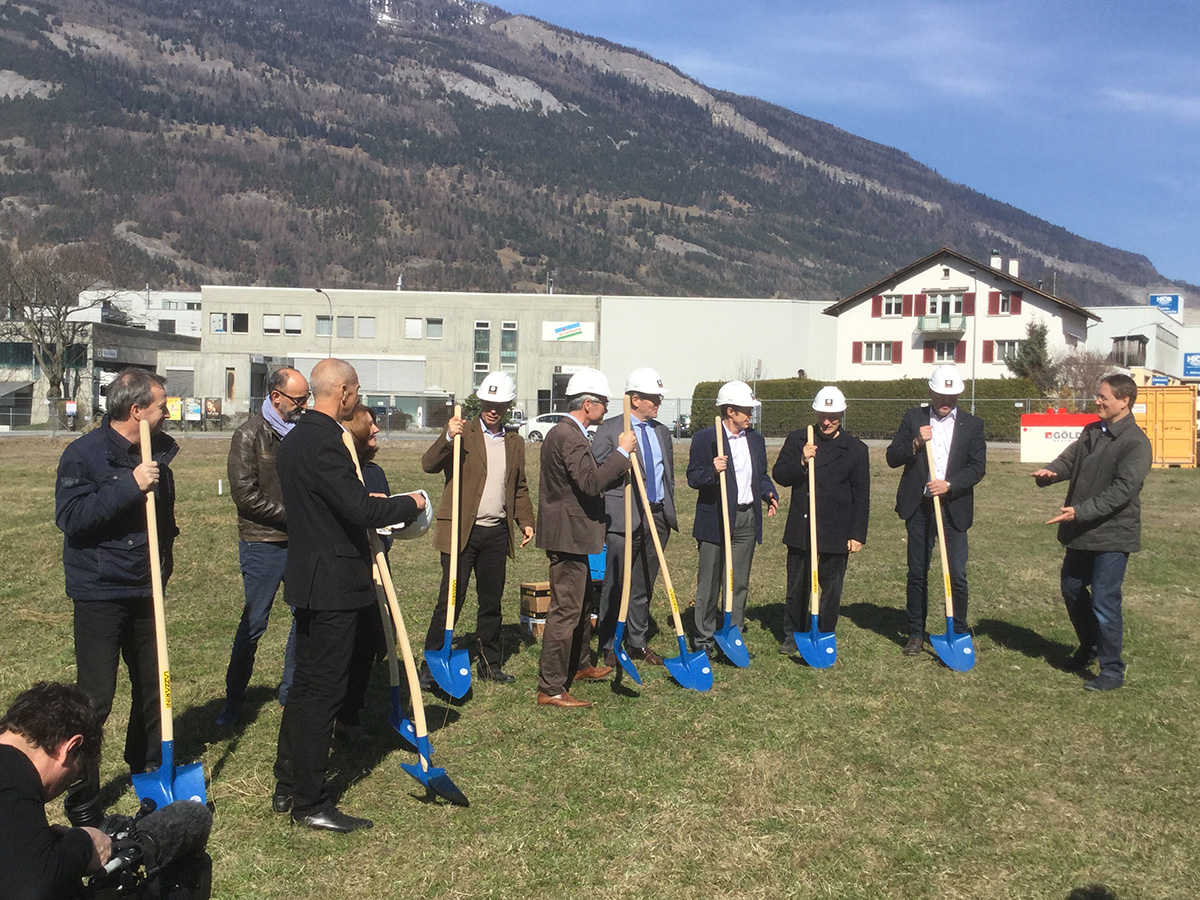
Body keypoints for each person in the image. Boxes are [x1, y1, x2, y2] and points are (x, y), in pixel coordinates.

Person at [272, 359, 426, 833]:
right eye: (356, 391)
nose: (358, 398)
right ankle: (310, 800)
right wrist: (412, 502)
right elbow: (359, 509)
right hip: (332, 583)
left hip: (312, 577)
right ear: (341, 392)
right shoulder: (324, 441)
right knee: (323, 692)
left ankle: (288, 783)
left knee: (306, 688)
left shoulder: (296, 437)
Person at [54, 367, 176, 827]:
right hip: (100, 591)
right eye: (162, 406)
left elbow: (163, 519)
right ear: (136, 410)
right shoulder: (83, 455)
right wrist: (130, 485)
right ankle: (81, 792)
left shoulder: (157, 450)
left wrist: (163, 564)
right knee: (96, 697)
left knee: (154, 686)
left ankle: (148, 766)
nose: (168, 413)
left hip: (146, 588)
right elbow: (72, 518)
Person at [1031, 373, 1152, 692]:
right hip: (1082, 531)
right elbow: (1069, 460)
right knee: (1072, 588)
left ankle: (1112, 670)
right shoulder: (1091, 431)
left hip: (1113, 534)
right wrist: (1050, 472)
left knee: (1104, 599)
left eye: (1103, 397)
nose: (1097, 401)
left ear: (1124, 401)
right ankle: (1090, 647)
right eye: (1098, 396)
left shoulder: (1136, 442)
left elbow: (1123, 490)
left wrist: (1079, 511)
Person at [420, 372, 535, 687]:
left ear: (508, 406)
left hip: (495, 534)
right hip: (461, 532)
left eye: (500, 404)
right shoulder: (462, 433)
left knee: (491, 602)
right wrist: (447, 437)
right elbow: (428, 464)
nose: (493, 409)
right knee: (450, 599)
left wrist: (525, 521)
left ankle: (489, 663)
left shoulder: (514, 442)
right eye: (488, 403)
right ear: (480, 401)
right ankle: (432, 663)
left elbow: (519, 487)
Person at [216, 367, 309, 728]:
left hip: (299, 542)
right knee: (254, 622)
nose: (304, 405)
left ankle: (290, 694)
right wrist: (293, 516)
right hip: (262, 542)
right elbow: (244, 494)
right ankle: (233, 701)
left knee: (304, 617)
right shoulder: (249, 435)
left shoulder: (302, 433)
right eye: (298, 399)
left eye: (306, 398)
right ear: (276, 397)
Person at [536, 368, 635, 709]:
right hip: (567, 535)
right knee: (566, 610)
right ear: (588, 404)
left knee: (580, 606)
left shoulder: (569, 434)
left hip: (574, 534)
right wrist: (621, 454)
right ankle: (551, 687)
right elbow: (590, 483)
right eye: (603, 403)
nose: (606, 409)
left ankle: (578, 665)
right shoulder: (569, 436)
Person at [885, 365, 986, 656]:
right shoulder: (913, 418)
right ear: (931, 391)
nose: (946, 400)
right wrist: (916, 443)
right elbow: (892, 457)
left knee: (957, 573)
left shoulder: (972, 425)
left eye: (952, 396)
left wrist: (949, 484)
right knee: (917, 572)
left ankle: (958, 630)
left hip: (953, 508)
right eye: (941, 394)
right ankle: (916, 633)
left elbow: (977, 468)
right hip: (919, 508)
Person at [772, 386, 870, 652]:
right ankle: (793, 634)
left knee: (831, 587)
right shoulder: (798, 439)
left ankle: (824, 633)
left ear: (842, 415)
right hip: (802, 526)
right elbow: (780, 475)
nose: (827, 422)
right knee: (797, 585)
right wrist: (802, 462)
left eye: (833, 417)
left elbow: (861, 495)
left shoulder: (855, 449)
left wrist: (857, 533)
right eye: (823, 416)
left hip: (836, 528)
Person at [687, 381, 779, 659]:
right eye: (746, 410)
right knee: (709, 582)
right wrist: (712, 471)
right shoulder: (706, 438)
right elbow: (693, 478)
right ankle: (703, 639)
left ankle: (731, 634)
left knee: (738, 581)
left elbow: (760, 474)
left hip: (746, 518)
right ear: (730, 411)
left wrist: (768, 493)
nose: (750, 415)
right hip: (715, 519)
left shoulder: (755, 440)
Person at [593, 367, 676, 668]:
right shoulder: (610, 429)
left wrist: (666, 507)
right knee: (616, 583)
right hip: (624, 516)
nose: (658, 403)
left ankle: (637, 642)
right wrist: (620, 451)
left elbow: (667, 474)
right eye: (654, 398)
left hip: (657, 517)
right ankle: (608, 644)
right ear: (635, 399)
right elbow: (597, 474)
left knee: (643, 583)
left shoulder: (661, 431)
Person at [1, 681, 109, 899]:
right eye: (75, 776)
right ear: (70, 747)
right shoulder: (14, 776)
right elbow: (31, 888)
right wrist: (85, 844)